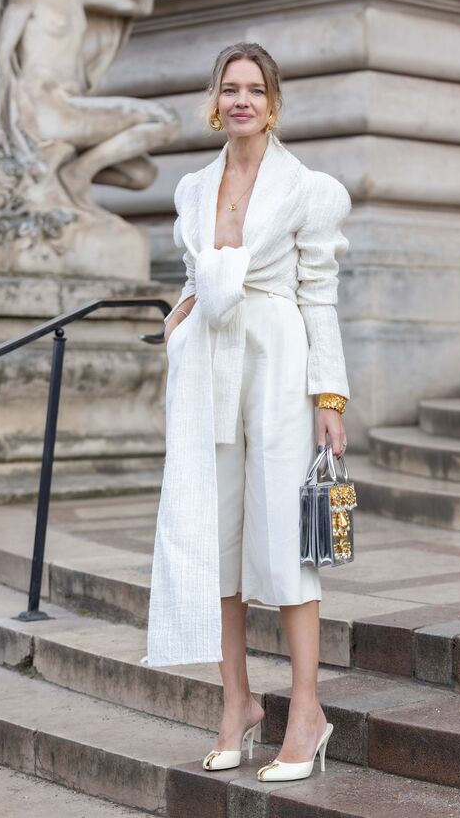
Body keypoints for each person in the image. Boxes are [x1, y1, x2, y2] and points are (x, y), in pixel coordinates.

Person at [143, 42, 351, 783]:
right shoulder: (193, 188)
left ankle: (305, 708)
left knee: (287, 541)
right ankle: (237, 703)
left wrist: (331, 397)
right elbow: (197, 276)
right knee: (217, 536)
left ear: (273, 103)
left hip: (277, 365)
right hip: (208, 372)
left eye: (254, 90)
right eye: (229, 88)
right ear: (213, 99)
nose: (241, 100)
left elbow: (319, 292)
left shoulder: (306, 189)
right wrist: (178, 316)